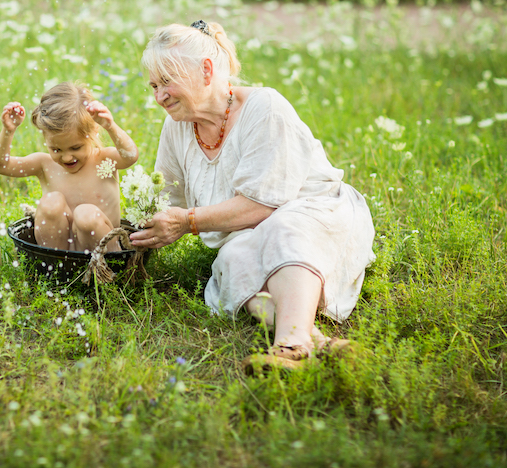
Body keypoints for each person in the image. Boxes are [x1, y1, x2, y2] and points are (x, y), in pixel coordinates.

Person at [129, 20, 376, 372]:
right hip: (250, 232)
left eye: (167, 81)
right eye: (154, 85)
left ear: (206, 70)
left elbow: (264, 205)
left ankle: (291, 346)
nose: (159, 96)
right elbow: (166, 201)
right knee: (232, 259)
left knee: (282, 227)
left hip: (313, 214)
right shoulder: (177, 127)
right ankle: (317, 343)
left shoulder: (265, 107)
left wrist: (188, 222)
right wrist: (128, 232)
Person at [0, 82, 139, 253]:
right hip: (62, 253)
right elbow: (0, 166)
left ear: (93, 131)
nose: (67, 157)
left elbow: (131, 155)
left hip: (104, 254)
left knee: (86, 215)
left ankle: (105, 271)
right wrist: (8, 131)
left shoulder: (104, 159)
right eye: (56, 149)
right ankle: (53, 267)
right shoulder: (44, 164)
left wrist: (111, 126)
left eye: (76, 148)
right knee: (50, 203)